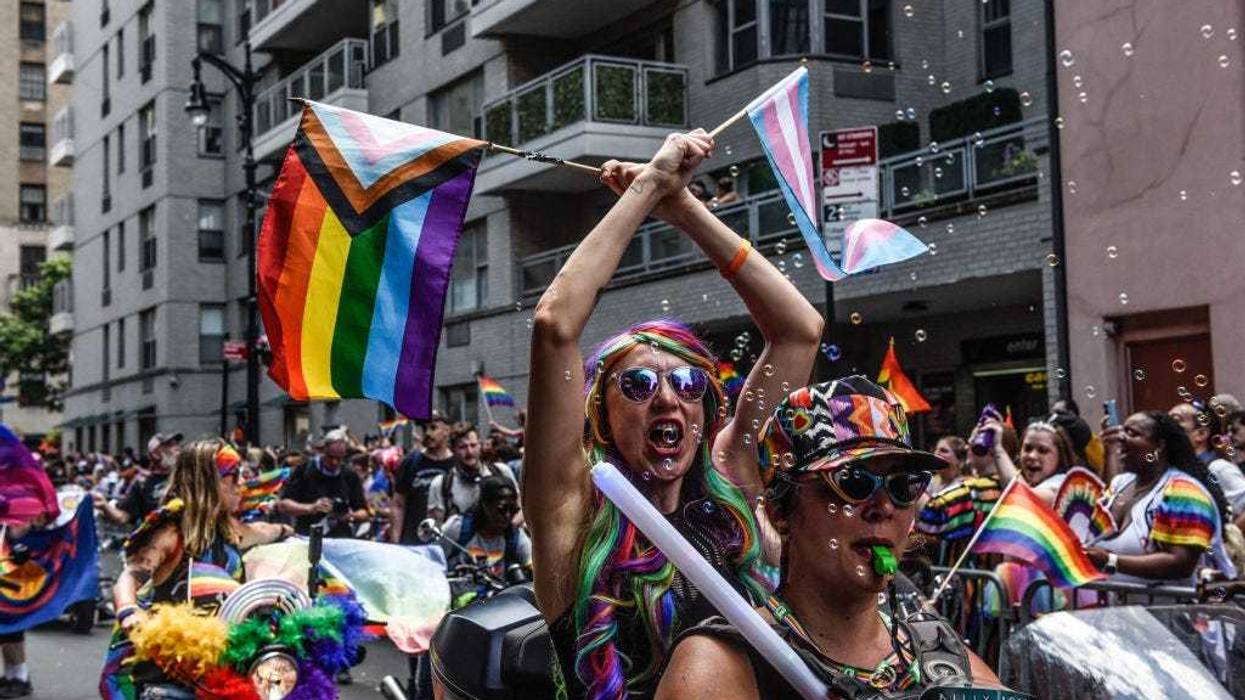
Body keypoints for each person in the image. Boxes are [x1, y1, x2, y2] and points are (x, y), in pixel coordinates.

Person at [525, 130, 823, 699]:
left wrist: (683, 207)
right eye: (637, 385)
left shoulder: (735, 487)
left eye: (687, 383)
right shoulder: (570, 512)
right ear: (601, 416)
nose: (667, 399)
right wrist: (645, 188)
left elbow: (798, 331)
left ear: (705, 407)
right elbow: (553, 326)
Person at [657, 378, 1002, 699]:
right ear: (780, 512)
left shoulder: (936, 650)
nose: (883, 507)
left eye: (902, 485)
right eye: (852, 481)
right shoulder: (723, 662)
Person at [109, 441, 291, 694]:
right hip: (171, 673)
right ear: (208, 481)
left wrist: (286, 531)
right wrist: (130, 612)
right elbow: (129, 576)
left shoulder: (229, 529)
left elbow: (262, 531)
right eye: (234, 476)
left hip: (220, 671)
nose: (242, 484)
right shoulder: (171, 532)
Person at [1086, 411, 1236, 586]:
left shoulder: (1183, 492)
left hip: (1175, 610)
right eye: (1122, 431)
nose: (1121, 437)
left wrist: (1111, 561)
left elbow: (1181, 563)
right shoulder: (1120, 484)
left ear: (1159, 446)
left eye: (1132, 433)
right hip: (1122, 611)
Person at [276, 428, 369, 538]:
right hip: (308, 535)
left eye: (339, 458)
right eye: (330, 457)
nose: (334, 462)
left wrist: (350, 516)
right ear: (323, 450)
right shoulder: (305, 470)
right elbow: (283, 505)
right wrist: (311, 508)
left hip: (340, 538)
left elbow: (364, 512)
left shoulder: (349, 475)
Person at [440, 475, 532, 583]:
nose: (507, 515)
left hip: (496, 597)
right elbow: (433, 562)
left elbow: (534, 565)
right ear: (485, 505)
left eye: (513, 510)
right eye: (501, 509)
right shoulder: (457, 528)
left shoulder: (514, 536)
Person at [427, 423, 518, 524]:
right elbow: (437, 530)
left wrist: (510, 528)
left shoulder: (502, 472)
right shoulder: (441, 485)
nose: (469, 451)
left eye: (473, 445)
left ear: (480, 445)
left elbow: (523, 507)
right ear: (452, 449)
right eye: (463, 447)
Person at [1169, 402, 1245, 515]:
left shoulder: (1218, 468)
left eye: (1175, 420)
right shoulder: (1174, 469)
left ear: (1201, 434)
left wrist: (1227, 531)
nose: (1166, 427)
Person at [93, 433, 182, 526]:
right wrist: (104, 506)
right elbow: (123, 517)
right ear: (156, 454)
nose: (177, 448)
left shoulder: (187, 477)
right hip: (156, 538)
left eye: (176, 444)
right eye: (169, 445)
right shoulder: (143, 484)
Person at [391, 416, 456, 544]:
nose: (427, 433)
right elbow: (398, 504)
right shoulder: (411, 462)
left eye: (433, 428)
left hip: (446, 542)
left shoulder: (456, 463)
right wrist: (395, 541)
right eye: (424, 428)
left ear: (447, 431)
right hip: (413, 540)